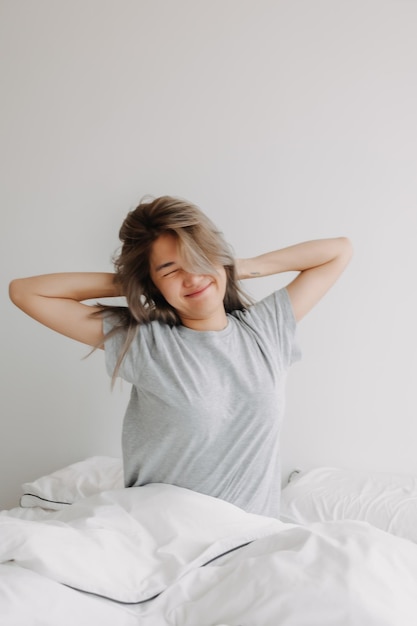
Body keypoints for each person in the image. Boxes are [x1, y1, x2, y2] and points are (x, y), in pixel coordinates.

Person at [9, 195, 353, 517]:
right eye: (171, 271)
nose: (192, 277)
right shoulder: (145, 341)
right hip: (164, 530)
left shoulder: (266, 328)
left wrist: (238, 267)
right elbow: (26, 291)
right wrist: (134, 282)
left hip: (251, 536)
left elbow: (339, 250)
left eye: (198, 258)